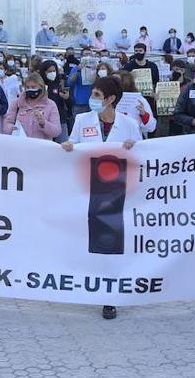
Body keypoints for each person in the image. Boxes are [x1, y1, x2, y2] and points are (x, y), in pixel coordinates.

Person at [60, 75, 140, 320]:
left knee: (110, 243)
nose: (92, 99)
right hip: (87, 190)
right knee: (84, 240)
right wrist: (69, 145)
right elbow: (73, 142)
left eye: (96, 95)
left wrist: (133, 146)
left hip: (116, 193)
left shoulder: (128, 124)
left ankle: (110, 297)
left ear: (111, 99)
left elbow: (143, 154)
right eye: (92, 94)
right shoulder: (83, 119)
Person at [2, 73, 61, 140]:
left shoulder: (51, 105)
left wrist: (44, 124)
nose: (30, 89)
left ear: (41, 87)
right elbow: (7, 124)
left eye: (33, 87)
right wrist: (12, 128)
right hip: (20, 145)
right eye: (27, 87)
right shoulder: (17, 103)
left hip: (41, 147)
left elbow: (57, 131)